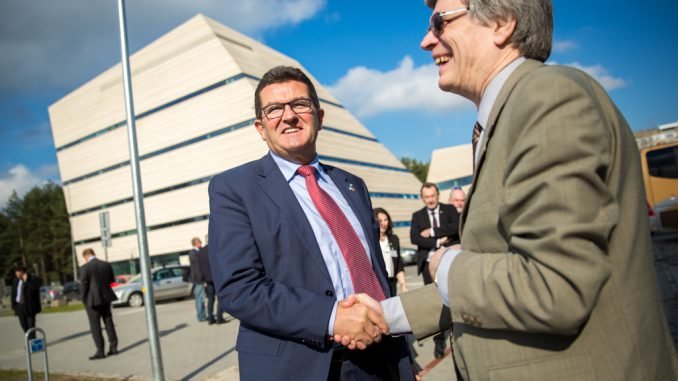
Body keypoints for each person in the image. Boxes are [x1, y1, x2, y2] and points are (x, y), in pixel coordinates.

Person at [340, 0, 678, 380]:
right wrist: (385, 315)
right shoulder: (508, 115)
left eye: (439, 22)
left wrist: (447, 264)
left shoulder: (546, 97)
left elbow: (553, 286)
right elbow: (500, 274)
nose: (425, 41)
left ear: (501, 23)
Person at [208, 66, 414, 380]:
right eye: (274, 109)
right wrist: (332, 318)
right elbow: (239, 287)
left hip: (377, 360)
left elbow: (376, 276)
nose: (288, 116)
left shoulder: (353, 185)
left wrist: (403, 355)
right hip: (296, 367)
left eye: (299, 105)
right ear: (260, 127)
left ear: (319, 116)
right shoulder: (234, 188)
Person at [409, 182, 459, 358]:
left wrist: (432, 231)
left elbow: (455, 227)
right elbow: (414, 237)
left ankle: (457, 335)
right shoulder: (417, 216)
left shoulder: (450, 210)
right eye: (426, 197)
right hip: (427, 266)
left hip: (449, 263)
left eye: (432, 196)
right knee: (435, 304)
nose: (430, 200)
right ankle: (439, 342)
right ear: (422, 198)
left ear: (438, 195)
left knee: (454, 300)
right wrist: (438, 241)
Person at [80, 248, 118, 360]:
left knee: (95, 326)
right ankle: (113, 348)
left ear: (86, 256)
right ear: (93, 254)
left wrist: (84, 300)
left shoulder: (85, 268)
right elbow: (112, 280)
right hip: (106, 298)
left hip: (92, 301)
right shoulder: (106, 265)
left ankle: (100, 351)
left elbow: (83, 286)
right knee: (108, 322)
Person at [373, 208, 407, 295]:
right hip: (377, 284)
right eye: (380, 220)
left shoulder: (394, 239)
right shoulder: (371, 241)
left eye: (385, 220)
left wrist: (403, 286)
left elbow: (398, 264)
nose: (383, 223)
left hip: (391, 283)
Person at [197, 240, 228, 325]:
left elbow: (200, 267)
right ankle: (219, 318)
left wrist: (203, 280)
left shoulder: (201, 251)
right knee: (220, 298)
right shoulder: (216, 248)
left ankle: (210, 319)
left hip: (207, 279)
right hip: (218, 278)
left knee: (210, 299)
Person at [11, 265, 41, 340]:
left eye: (18, 271)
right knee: (24, 325)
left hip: (29, 307)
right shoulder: (16, 281)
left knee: (31, 325)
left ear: (22, 271)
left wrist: (26, 281)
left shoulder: (32, 279)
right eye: (16, 271)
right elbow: (13, 293)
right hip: (19, 306)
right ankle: (29, 341)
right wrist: (14, 306)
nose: (17, 273)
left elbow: (35, 288)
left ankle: (31, 343)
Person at [188, 237, 207, 322]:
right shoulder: (194, 253)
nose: (201, 244)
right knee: (199, 298)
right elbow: (197, 268)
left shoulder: (194, 253)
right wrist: (201, 280)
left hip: (197, 279)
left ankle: (202, 315)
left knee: (199, 298)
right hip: (198, 280)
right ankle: (201, 316)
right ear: (196, 243)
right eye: (200, 242)